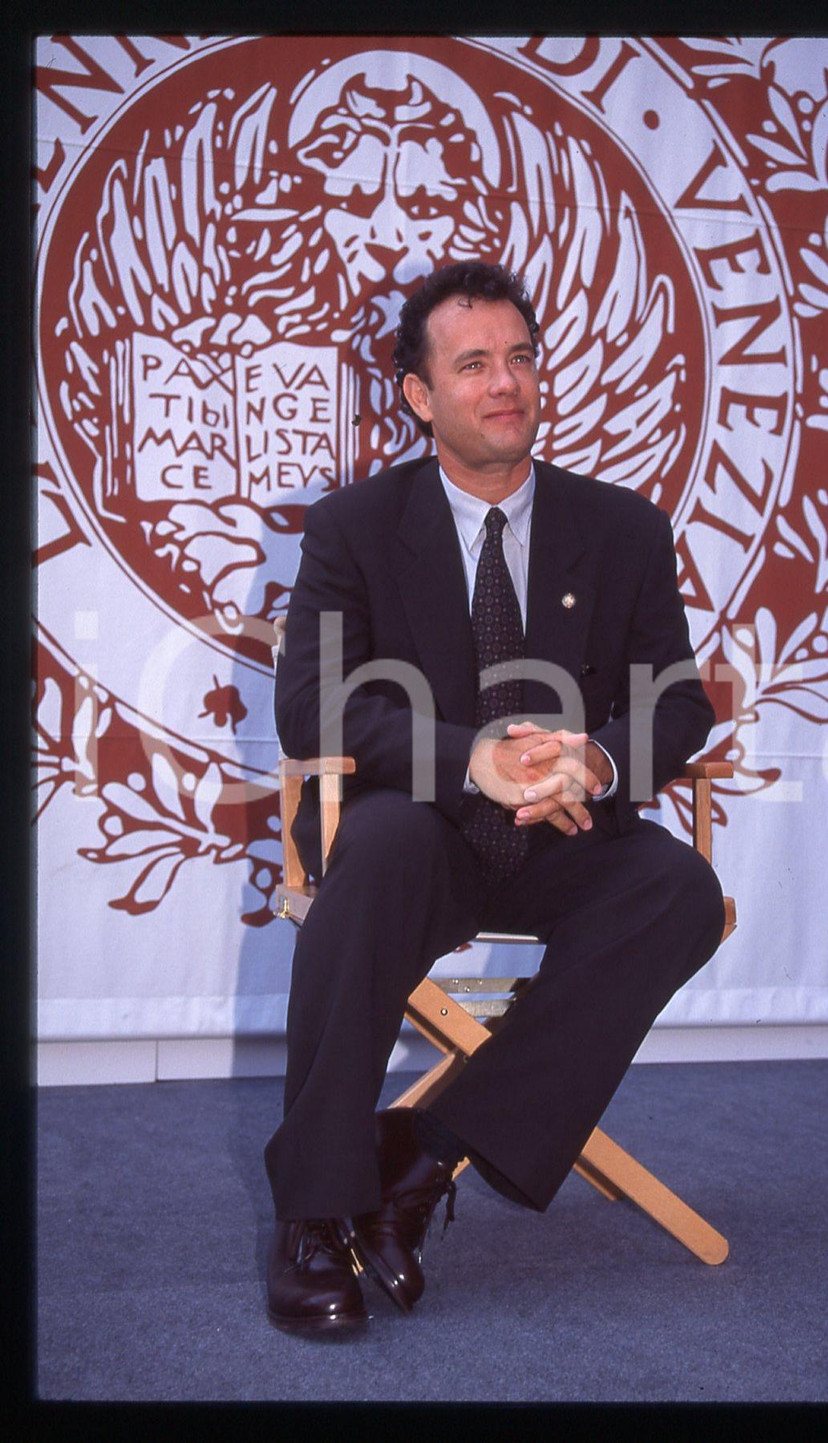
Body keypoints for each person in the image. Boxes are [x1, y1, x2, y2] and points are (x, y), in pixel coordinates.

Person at [266, 261, 726, 1336]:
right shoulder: (353, 526)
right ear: (421, 396)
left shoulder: (621, 529)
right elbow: (310, 707)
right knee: (374, 857)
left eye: (519, 358)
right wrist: (466, 757)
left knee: (676, 890)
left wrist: (597, 762)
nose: (505, 383)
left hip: (561, 831)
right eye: (472, 364)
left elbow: (677, 704)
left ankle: (423, 1154)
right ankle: (313, 1212)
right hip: (411, 824)